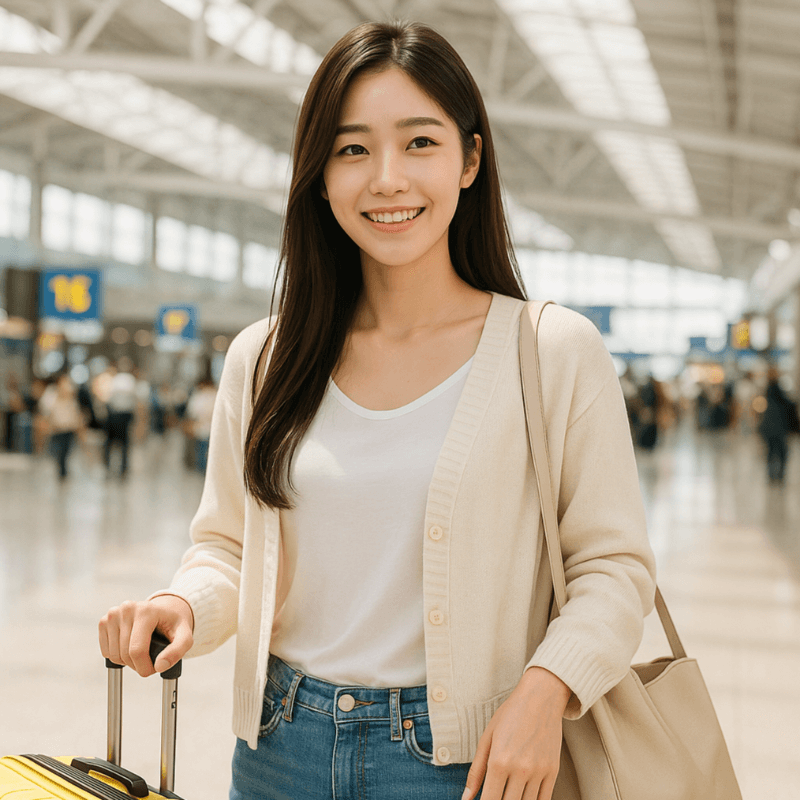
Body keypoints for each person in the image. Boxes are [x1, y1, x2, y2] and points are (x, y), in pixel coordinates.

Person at [99, 21, 656, 800]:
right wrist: (180, 602)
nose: (387, 178)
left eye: (419, 143)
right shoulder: (265, 359)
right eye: (353, 149)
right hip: (278, 751)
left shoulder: (552, 351)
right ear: (320, 175)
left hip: (468, 760)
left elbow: (612, 567)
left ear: (470, 159)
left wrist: (546, 689)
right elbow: (228, 544)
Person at [39, 373, 84, 480]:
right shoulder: (51, 396)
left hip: (69, 428)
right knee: (58, 452)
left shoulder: (71, 398)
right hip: (56, 429)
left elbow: (75, 413)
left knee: (67, 451)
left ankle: (63, 470)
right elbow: (46, 412)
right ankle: (61, 471)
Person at [758, 367, 794, 484]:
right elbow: (787, 404)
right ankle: (779, 475)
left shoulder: (767, 390)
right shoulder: (777, 389)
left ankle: (772, 475)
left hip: (769, 427)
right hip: (778, 427)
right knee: (781, 451)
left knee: (771, 451)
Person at [103, 360, 138, 477]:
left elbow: (109, 398)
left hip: (115, 415)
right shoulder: (129, 381)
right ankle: (122, 468)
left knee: (111, 444)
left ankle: (109, 466)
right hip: (123, 416)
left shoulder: (115, 380)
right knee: (123, 444)